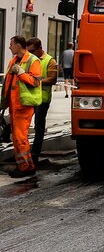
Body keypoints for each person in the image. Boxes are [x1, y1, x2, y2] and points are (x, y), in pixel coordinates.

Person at [2, 36, 42, 178]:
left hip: (24, 104)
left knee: (20, 137)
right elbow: (8, 83)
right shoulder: (14, 60)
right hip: (15, 104)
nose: (9, 47)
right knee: (17, 138)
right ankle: (26, 165)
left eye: (11, 44)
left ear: (19, 46)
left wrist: (21, 73)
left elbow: (36, 82)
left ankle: (24, 167)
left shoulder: (32, 60)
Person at [26, 37, 57, 163]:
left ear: (40, 48)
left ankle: (34, 155)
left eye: (32, 51)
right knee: (24, 126)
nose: (30, 53)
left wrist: (34, 81)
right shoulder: (28, 59)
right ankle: (26, 154)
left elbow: (52, 79)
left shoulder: (50, 61)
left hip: (42, 99)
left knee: (39, 127)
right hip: (28, 97)